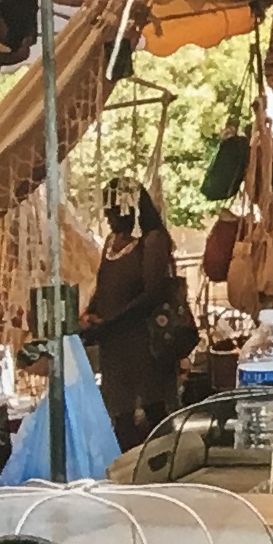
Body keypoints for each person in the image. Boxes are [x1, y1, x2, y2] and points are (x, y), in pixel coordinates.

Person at [80, 181, 194, 448]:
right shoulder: (112, 242)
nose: (108, 218)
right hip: (115, 346)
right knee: (121, 417)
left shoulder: (152, 241)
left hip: (143, 343)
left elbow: (152, 294)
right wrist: (91, 313)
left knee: (153, 413)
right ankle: (127, 472)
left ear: (130, 209)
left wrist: (112, 322)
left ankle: (159, 471)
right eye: (107, 211)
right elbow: (105, 285)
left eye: (114, 211)